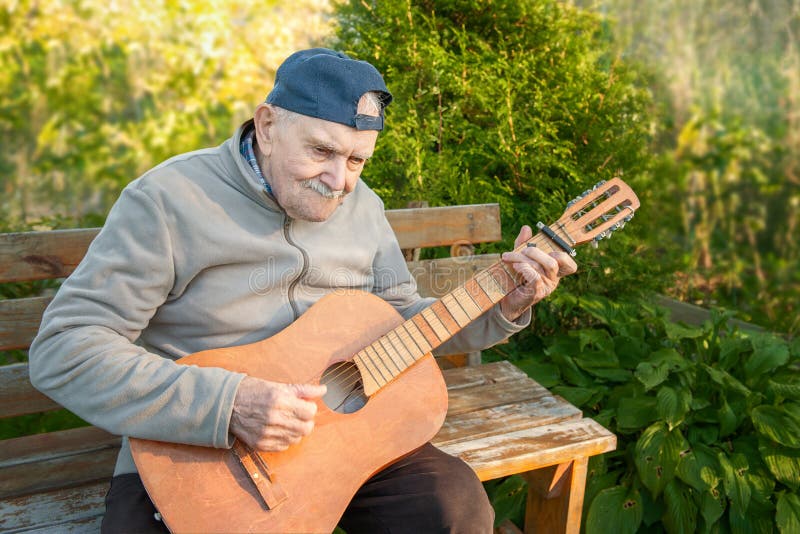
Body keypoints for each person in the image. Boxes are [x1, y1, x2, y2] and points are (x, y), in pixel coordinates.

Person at [28, 48, 577, 533]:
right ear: (267, 126)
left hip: (351, 441)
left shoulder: (364, 208)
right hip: (197, 449)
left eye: (357, 160)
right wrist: (229, 404)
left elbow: (403, 319)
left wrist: (503, 306)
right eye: (321, 151)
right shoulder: (168, 202)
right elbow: (66, 348)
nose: (339, 181)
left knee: (453, 508)